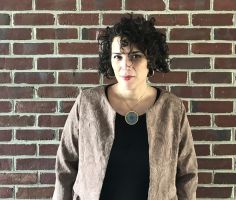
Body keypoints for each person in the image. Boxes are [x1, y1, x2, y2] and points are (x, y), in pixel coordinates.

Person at [52, 14, 198, 200]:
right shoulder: (88, 103)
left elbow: (187, 173)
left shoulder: (172, 109)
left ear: (150, 60)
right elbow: (65, 166)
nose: (125, 65)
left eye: (135, 56)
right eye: (118, 57)